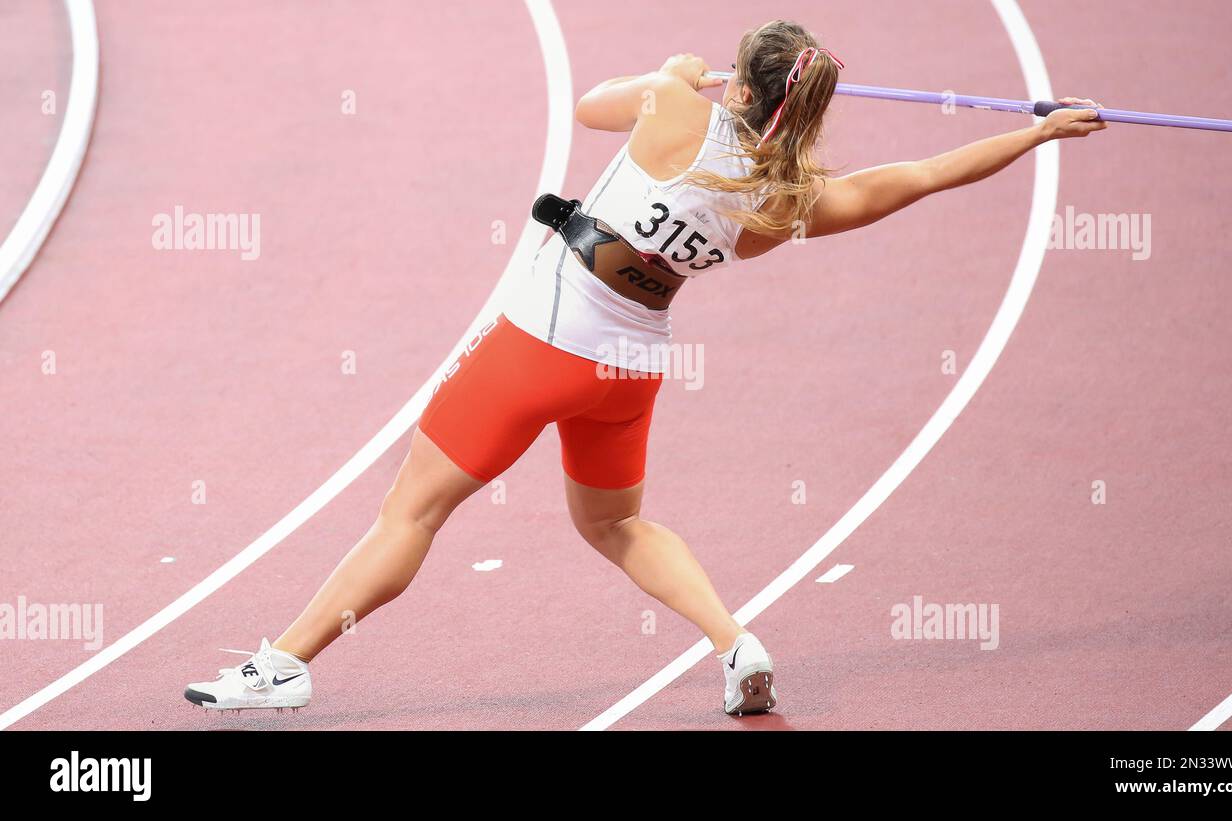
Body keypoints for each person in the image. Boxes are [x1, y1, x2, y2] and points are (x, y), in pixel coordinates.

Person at [184, 19, 1104, 719]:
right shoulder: (789, 201)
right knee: (618, 523)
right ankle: (734, 641)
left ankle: (287, 662)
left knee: (414, 509)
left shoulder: (677, 111)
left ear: (742, 81)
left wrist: (671, 72)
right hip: (630, 365)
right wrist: (1037, 134)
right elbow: (924, 175)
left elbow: (591, 105)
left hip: (541, 341)